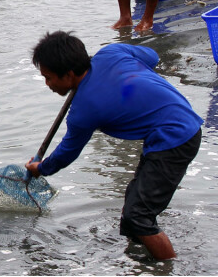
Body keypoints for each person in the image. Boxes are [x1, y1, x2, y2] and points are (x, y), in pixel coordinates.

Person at [26, 31, 202, 260]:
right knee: (133, 204)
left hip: (175, 138)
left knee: (138, 216)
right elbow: (151, 56)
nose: (48, 84)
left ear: (69, 74)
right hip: (174, 126)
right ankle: (138, 260)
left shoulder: (84, 110)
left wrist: (40, 168)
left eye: (49, 78)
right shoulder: (111, 52)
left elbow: (67, 153)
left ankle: (169, 267)